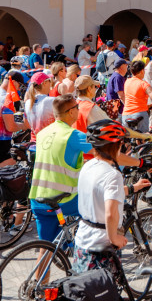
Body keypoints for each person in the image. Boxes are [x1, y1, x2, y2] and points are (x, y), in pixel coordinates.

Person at [72, 119, 152, 275]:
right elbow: (110, 212)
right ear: (117, 146)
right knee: (106, 293)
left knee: (84, 292)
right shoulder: (112, 174)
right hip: (102, 244)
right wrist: (114, 237)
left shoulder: (88, 166)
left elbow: (101, 193)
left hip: (84, 238)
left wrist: (132, 188)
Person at [29, 94, 95, 241]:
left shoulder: (42, 133)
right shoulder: (73, 135)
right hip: (63, 200)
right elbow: (104, 153)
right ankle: (85, 253)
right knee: (98, 209)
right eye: (77, 107)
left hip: (37, 198)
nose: (78, 110)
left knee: (46, 248)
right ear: (71, 111)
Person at [121, 59, 152, 133]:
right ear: (142, 71)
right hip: (139, 113)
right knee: (144, 137)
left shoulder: (127, 82)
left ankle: (128, 144)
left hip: (126, 114)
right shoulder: (143, 83)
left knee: (128, 139)